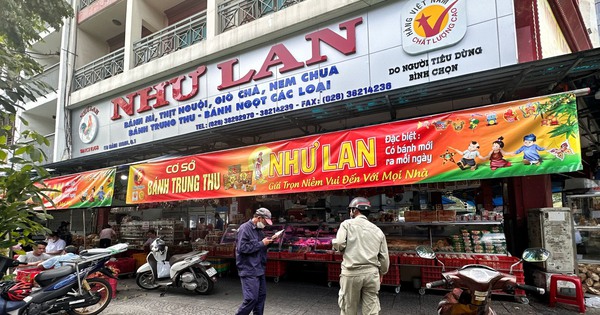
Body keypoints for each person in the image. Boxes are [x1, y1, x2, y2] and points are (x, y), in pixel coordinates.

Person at [332, 197, 390, 315]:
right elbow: (384, 257)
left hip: (351, 273)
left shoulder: (346, 224)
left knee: (349, 309)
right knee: (371, 310)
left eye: (351, 210)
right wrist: (382, 272)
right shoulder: (377, 230)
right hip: (372, 274)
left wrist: (338, 247)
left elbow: (339, 243)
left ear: (354, 210)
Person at [235, 207, 279, 315]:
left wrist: (271, 241)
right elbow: (242, 248)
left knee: (260, 299)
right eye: (265, 222)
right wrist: (261, 243)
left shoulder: (259, 231)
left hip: (259, 268)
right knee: (251, 299)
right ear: (258, 218)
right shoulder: (244, 228)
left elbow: (260, 247)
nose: (266, 225)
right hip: (248, 269)